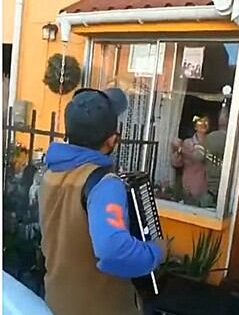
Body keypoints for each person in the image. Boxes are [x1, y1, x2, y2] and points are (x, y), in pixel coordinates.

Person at [39, 88, 167, 315]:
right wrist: (155, 252)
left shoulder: (49, 174)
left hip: (57, 303)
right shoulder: (105, 184)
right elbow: (112, 249)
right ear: (112, 140)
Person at [171, 115, 210, 206]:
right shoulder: (187, 143)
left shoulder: (211, 142)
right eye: (200, 122)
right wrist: (177, 152)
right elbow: (176, 163)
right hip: (190, 187)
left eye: (206, 122)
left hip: (207, 189)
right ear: (195, 126)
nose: (204, 124)